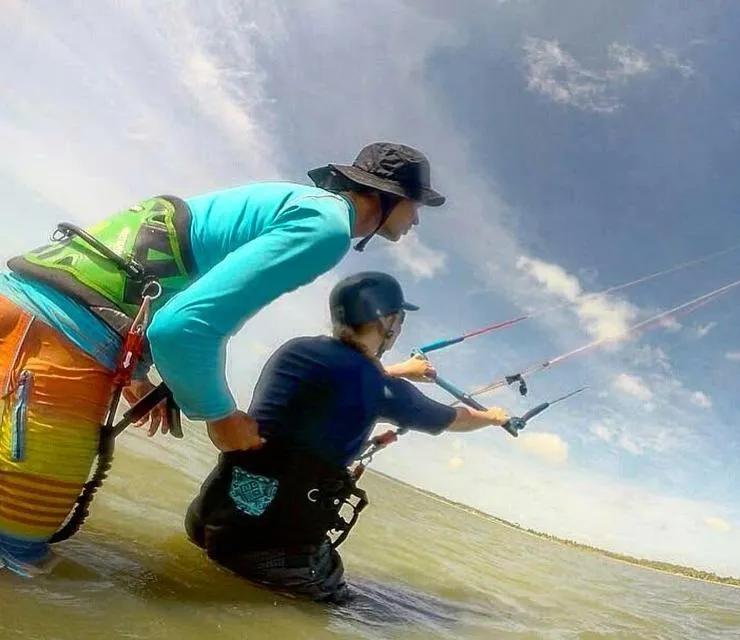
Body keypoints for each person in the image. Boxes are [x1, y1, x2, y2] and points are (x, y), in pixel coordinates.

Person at [0, 142, 446, 575]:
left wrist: (136, 368)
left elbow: (158, 283)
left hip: (26, 308)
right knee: (17, 553)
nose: (417, 219)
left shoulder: (292, 201)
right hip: (54, 339)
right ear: (389, 197)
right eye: (415, 205)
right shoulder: (326, 227)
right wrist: (220, 417)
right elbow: (183, 327)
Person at [184, 271, 511, 604]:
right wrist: (493, 418)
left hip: (210, 517)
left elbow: (345, 377)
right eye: (400, 320)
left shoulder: (296, 350)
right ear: (389, 322)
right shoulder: (383, 390)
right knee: (360, 615)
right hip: (269, 549)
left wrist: (398, 370)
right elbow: (457, 418)